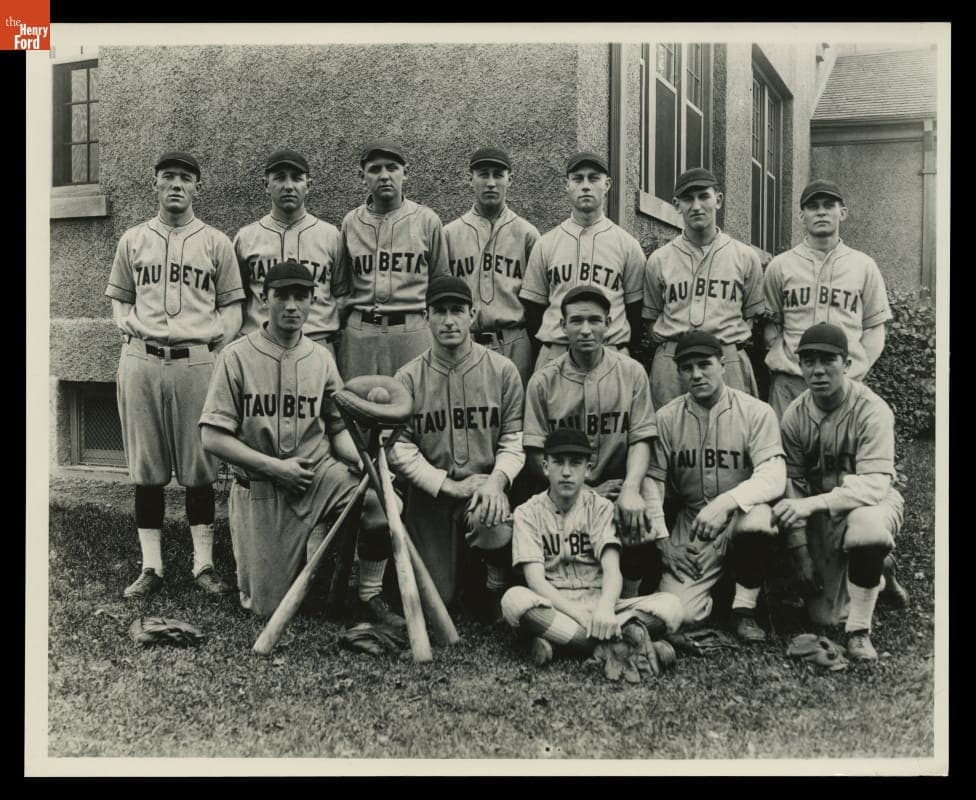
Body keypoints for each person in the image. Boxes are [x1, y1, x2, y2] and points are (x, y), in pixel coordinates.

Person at [198, 261, 394, 621]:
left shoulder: (320, 357)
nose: (291, 305)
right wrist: (274, 467)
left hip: (316, 476)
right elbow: (212, 437)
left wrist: (365, 465)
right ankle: (297, 567)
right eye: (282, 295)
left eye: (300, 296)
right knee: (264, 608)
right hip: (261, 485)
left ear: (312, 301)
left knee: (376, 499)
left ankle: (367, 594)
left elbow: (337, 429)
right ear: (263, 298)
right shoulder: (236, 356)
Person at [105, 150, 245, 599]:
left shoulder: (216, 242)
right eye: (168, 177)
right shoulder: (133, 239)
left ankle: (202, 564)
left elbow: (234, 308)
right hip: (142, 359)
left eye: (186, 178)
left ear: (197, 188)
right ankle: (152, 567)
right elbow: (120, 297)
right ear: (155, 185)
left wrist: (214, 345)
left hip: (195, 360)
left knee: (199, 467)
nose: (176, 185)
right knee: (146, 469)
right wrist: (123, 322)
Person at [389, 276, 525, 615]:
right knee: (438, 600)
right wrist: (447, 485)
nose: (449, 320)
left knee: (490, 521)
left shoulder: (503, 370)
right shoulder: (407, 377)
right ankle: (463, 578)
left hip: (482, 490)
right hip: (431, 497)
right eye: (440, 312)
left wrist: (496, 482)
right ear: (426, 317)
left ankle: (494, 587)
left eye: (457, 311)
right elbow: (400, 449)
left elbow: (514, 438)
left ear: (473, 314)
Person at [522, 285, 667, 599]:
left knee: (643, 496)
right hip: (562, 487)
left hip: (616, 483)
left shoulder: (631, 373)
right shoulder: (544, 380)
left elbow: (642, 438)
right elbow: (535, 454)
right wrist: (583, 490)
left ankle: (630, 597)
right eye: (576, 321)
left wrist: (630, 489)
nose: (585, 329)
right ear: (562, 326)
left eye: (594, 320)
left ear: (609, 323)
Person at [773, 323, 907, 660]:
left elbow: (875, 484)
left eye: (828, 360)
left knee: (865, 530)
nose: (817, 370)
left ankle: (859, 632)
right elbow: (792, 485)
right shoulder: (795, 415)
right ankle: (883, 569)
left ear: (847, 364)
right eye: (808, 361)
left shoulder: (872, 409)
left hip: (872, 502)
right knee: (823, 616)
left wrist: (811, 504)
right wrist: (801, 553)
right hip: (823, 512)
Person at [500, 428, 682, 668]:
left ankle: (563, 643)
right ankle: (623, 645)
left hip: (600, 603)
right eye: (558, 462)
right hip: (556, 605)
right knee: (514, 601)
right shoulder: (527, 512)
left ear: (587, 469)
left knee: (672, 607)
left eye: (575, 463)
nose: (566, 472)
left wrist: (605, 610)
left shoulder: (601, 507)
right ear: (545, 467)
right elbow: (537, 582)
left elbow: (612, 569)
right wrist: (582, 617)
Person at [648, 331, 786, 641]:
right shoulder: (666, 418)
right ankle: (723, 590)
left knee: (758, 521)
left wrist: (726, 503)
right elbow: (651, 482)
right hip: (693, 521)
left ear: (722, 365)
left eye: (704, 364)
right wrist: (663, 541)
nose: (696, 374)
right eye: (687, 368)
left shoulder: (756, 411)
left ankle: (745, 610)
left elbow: (774, 474)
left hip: (739, 513)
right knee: (680, 614)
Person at [763, 180, 893, 419]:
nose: (821, 211)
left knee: (841, 453)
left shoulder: (863, 266)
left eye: (828, 205)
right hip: (791, 383)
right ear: (802, 215)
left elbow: (874, 328)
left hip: (845, 383)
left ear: (842, 213)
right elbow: (771, 325)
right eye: (812, 206)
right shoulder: (780, 266)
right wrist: (788, 361)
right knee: (788, 453)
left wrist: (854, 369)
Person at [643, 168, 766, 411]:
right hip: (673, 358)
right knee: (669, 435)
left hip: (726, 356)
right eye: (688, 199)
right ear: (677, 205)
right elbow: (651, 319)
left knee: (733, 434)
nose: (696, 206)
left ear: (718, 200)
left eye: (704, 196)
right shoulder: (659, 259)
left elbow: (751, 317)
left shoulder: (744, 256)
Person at [332, 137, 450, 379]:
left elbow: (440, 285)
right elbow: (341, 288)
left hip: (412, 329)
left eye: (392, 168)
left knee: (416, 407)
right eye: (375, 169)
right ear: (361, 176)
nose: (384, 176)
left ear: (405, 173)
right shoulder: (351, 222)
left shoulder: (427, 220)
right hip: (360, 331)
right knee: (357, 406)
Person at [519, 151, 646, 373]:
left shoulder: (627, 245)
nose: (585, 185)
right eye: (578, 178)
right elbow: (534, 310)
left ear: (607, 185)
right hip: (556, 352)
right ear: (566, 185)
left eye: (593, 178)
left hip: (611, 351)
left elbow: (635, 312)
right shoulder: (546, 243)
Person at [443, 146, 541, 386]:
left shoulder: (527, 234)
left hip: (514, 341)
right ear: (470, 179)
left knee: (515, 419)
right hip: (465, 341)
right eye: (483, 174)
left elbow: (537, 304)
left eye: (498, 174)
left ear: (510, 179)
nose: (490, 183)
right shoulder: (450, 234)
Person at [233, 149, 343, 355]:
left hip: (316, 342)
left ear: (308, 185)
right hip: (259, 345)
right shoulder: (246, 237)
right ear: (266, 185)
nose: (289, 186)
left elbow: (343, 296)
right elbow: (236, 300)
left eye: (297, 178)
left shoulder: (331, 236)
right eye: (280, 178)